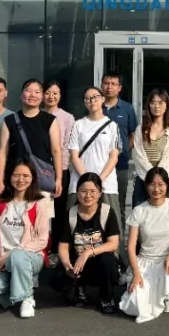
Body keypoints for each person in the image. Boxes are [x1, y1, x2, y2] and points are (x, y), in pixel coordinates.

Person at [0, 162, 52, 318]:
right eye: (16, 175)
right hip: (2, 258)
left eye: (26, 176)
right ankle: (18, 293)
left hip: (31, 257)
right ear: (9, 177)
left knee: (17, 256)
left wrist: (11, 254)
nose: (21, 179)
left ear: (33, 178)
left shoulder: (39, 203)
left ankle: (27, 298)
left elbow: (42, 240)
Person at [120, 167, 169, 323]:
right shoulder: (139, 210)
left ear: (167, 185)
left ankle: (168, 293)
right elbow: (131, 246)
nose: (156, 189)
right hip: (144, 262)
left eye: (161, 184)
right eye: (152, 184)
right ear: (146, 186)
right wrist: (136, 273)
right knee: (136, 307)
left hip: (167, 261)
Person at [54, 172, 122, 314]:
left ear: (100, 193)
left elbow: (113, 244)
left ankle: (106, 297)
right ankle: (79, 289)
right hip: (77, 265)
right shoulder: (70, 214)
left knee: (109, 261)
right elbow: (63, 245)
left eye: (93, 191)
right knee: (58, 275)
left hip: (99, 262)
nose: (88, 195)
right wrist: (66, 264)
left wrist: (88, 252)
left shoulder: (107, 211)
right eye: (84, 191)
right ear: (77, 192)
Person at [0, 79, 64, 197]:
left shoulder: (50, 120)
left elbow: (56, 151)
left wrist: (58, 179)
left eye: (37, 92)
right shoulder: (9, 121)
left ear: (42, 97)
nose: (32, 95)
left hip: (41, 181)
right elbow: (2, 153)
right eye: (28, 91)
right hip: (15, 182)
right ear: (21, 95)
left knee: (41, 209)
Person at [68, 86, 123, 219]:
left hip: (106, 184)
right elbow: (74, 156)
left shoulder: (112, 126)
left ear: (103, 99)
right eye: (88, 99)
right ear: (84, 102)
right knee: (74, 222)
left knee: (110, 222)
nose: (92, 101)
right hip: (79, 183)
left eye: (95, 97)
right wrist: (87, 181)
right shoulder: (78, 125)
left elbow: (113, 157)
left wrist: (98, 181)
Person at [101, 72, 138, 231]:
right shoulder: (96, 106)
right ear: (101, 85)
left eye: (113, 84)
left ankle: (120, 239)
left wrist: (122, 151)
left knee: (119, 202)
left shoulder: (127, 109)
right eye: (106, 83)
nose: (109, 87)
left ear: (119, 88)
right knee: (98, 202)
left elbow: (133, 135)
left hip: (120, 165)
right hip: (99, 164)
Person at [130, 88, 169, 206]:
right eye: (153, 103)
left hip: (165, 180)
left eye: (160, 102)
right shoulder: (140, 129)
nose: (157, 106)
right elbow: (138, 155)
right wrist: (151, 177)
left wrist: (159, 177)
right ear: (148, 106)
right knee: (140, 214)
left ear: (167, 105)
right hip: (143, 179)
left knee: (165, 215)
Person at [42, 80, 76, 186]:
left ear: (60, 95)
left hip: (60, 167)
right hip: (38, 166)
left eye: (55, 93)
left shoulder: (68, 117)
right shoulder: (36, 114)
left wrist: (61, 167)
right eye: (47, 93)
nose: (51, 96)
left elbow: (67, 145)